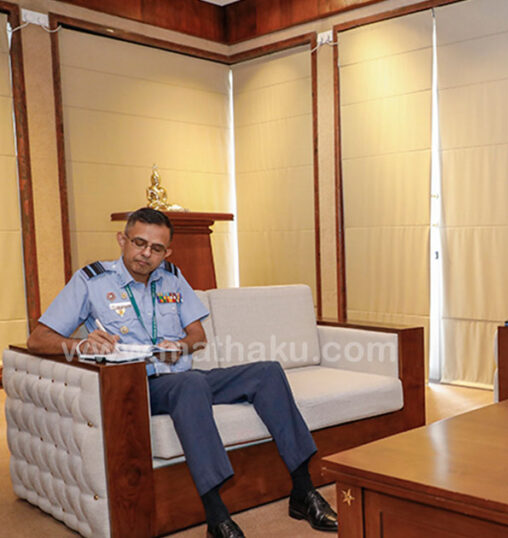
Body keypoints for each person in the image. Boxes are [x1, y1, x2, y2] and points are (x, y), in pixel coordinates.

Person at [26, 208, 337, 538]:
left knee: (267, 372)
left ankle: (303, 491)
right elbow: (37, 339)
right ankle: (217, 517)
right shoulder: (91, 281)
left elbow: (197, 336)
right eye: (139, 243)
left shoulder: (172, 277)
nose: (146, 253)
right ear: (122, 240)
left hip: (185, 378)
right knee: (190, 384)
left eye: (156, 248)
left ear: (167, 252)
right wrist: (81, 345)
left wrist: (181, 345)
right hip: (139, 386)